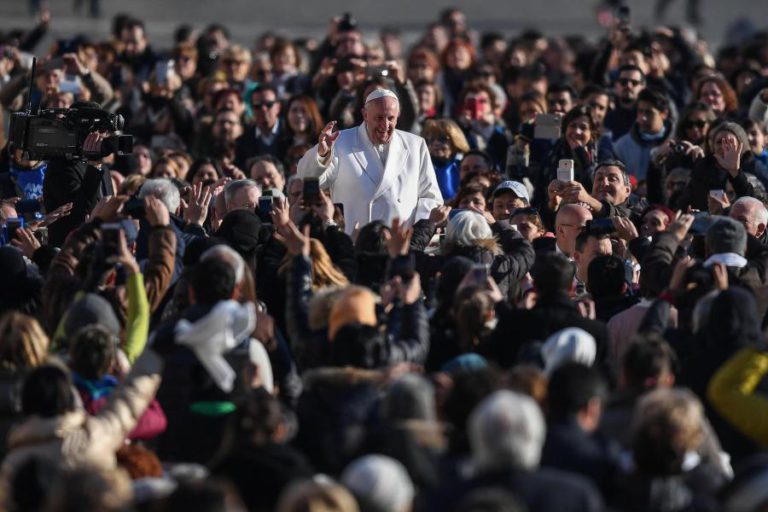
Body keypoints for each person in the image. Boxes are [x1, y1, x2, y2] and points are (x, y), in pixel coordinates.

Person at [297, 88, 442, 234]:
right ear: (365, 115)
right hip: (354, 241)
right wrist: (322, 154)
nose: (385, 125)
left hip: (400, 242)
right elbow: (308, 179)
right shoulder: (340, 142)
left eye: (390, 118)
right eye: (379, 118)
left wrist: (416, 234)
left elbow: (430, 197)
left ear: (398, 116)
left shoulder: (416, 145)